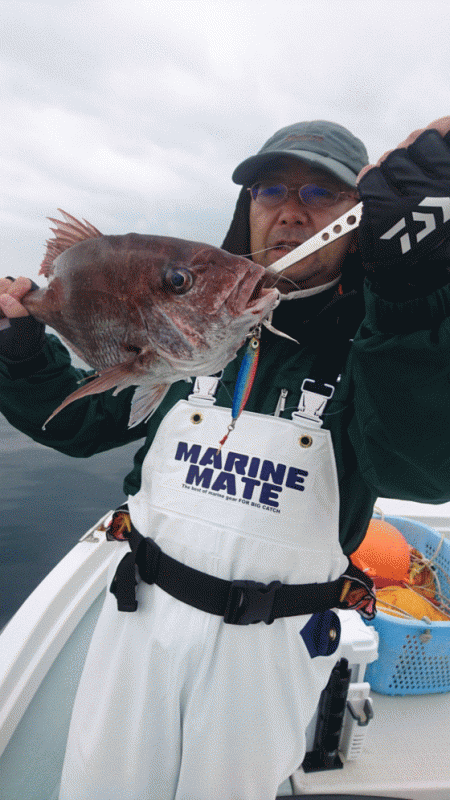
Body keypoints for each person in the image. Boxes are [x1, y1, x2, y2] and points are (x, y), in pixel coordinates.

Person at [2, 116, 450, 800]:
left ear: (360, 219)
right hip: (136, 621)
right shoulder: (186, 328)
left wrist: (409, 298)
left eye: (321, 194)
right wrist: (21, 352)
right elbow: (85, 423)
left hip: (269, 655)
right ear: (248, 210)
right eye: (271, 189)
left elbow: (420, 467)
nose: (292, 211)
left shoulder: (378, 340)